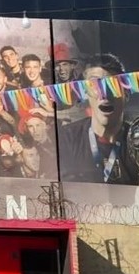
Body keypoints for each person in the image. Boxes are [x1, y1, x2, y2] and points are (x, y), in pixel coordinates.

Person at [60, 53, 139, 185]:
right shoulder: (66, 138)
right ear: (86, 93)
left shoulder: (135, 140)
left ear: (126, 95)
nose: (104, 94)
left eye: (112, 85)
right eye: (95, 84)